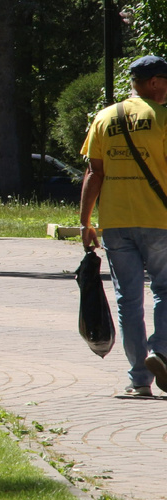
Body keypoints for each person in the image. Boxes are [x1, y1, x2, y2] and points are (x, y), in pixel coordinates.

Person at [81, 55, 167, 398]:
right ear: (155, 82)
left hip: (115, 223)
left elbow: (94, 173)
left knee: (128, 300)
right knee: (164, 290)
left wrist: (85, 222)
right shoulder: (162, 117)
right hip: (159, 220)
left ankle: (139, 380)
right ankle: (161, 353)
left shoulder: (104, 118)